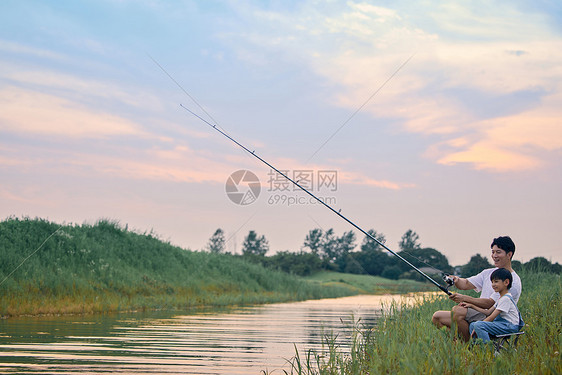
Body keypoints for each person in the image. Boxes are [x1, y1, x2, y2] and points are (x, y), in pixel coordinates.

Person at [431, 236, 522, 341]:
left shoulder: (512, 280)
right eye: (493, 252)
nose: (494, 256)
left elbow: (490, 303)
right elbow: (466, 283)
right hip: (481, 312)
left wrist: (464, 298)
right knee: (437, 317)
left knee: (458, 311)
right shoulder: (488, 272)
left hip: (497, 318)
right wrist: (456, 279)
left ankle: (469, 346)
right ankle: (461, 343)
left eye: (498, 252)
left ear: (509, 254)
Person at [461, 268, 524, 342]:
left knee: (478, 325)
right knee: (472, 325)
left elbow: (491, 317)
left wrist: (479, 325)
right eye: (492, 282)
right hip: (503, 324)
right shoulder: (500, 298)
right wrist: (472, 306)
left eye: (496, 282)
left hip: (510, 326)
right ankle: (477, 347)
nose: (493, 285)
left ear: (506, 282)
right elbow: (488, 312)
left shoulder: (506, 299)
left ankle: (488, 349)